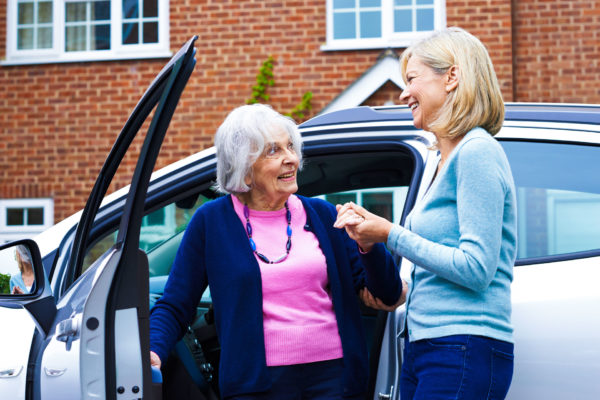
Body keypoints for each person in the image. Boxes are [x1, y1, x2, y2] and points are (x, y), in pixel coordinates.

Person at [149, 103, 404, 399]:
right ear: (244, 169)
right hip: (255, 386)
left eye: (290, 147)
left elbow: (386, 293)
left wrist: (368, 245)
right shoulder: (211, 223)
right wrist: (154, 348)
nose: (291, 159)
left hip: (335, 379)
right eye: (274, 151)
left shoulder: (323, 215)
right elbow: (176, 303)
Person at [334, 27, 517, 399]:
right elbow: (445, 261)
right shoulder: (441, 160)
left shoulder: (476, 151)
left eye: (412, 79)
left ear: (452, 76)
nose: (403, 93)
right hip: (430, 346)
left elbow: (477, 268)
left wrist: (390, 234)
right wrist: (404, 289)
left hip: (461, 346)